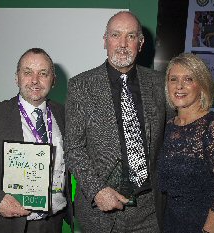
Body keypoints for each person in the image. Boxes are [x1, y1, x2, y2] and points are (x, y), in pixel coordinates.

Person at [64, 11, 171, 233]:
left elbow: (170, 139)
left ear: (140, 44)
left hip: (149, 212)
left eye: (131, 36)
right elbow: (73, 148)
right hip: (99, 212)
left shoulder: (160, 83)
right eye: (115, 35)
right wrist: (97, 190)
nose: (123, 44)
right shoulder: (81, 86)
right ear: (105, 41)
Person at [0, 48, 73, 233]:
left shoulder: (66, 116)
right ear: (16, 77)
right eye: (27, 72)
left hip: (54, 224)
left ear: (53, 80)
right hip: (8, 226)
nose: (35, 80)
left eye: (43, 73)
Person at [159, 53, 214, 233]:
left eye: (188, 79)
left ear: (202, 85)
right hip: (172, 225)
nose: (179, 86)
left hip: (209, 227)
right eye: (173, 79)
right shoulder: (167, 128)